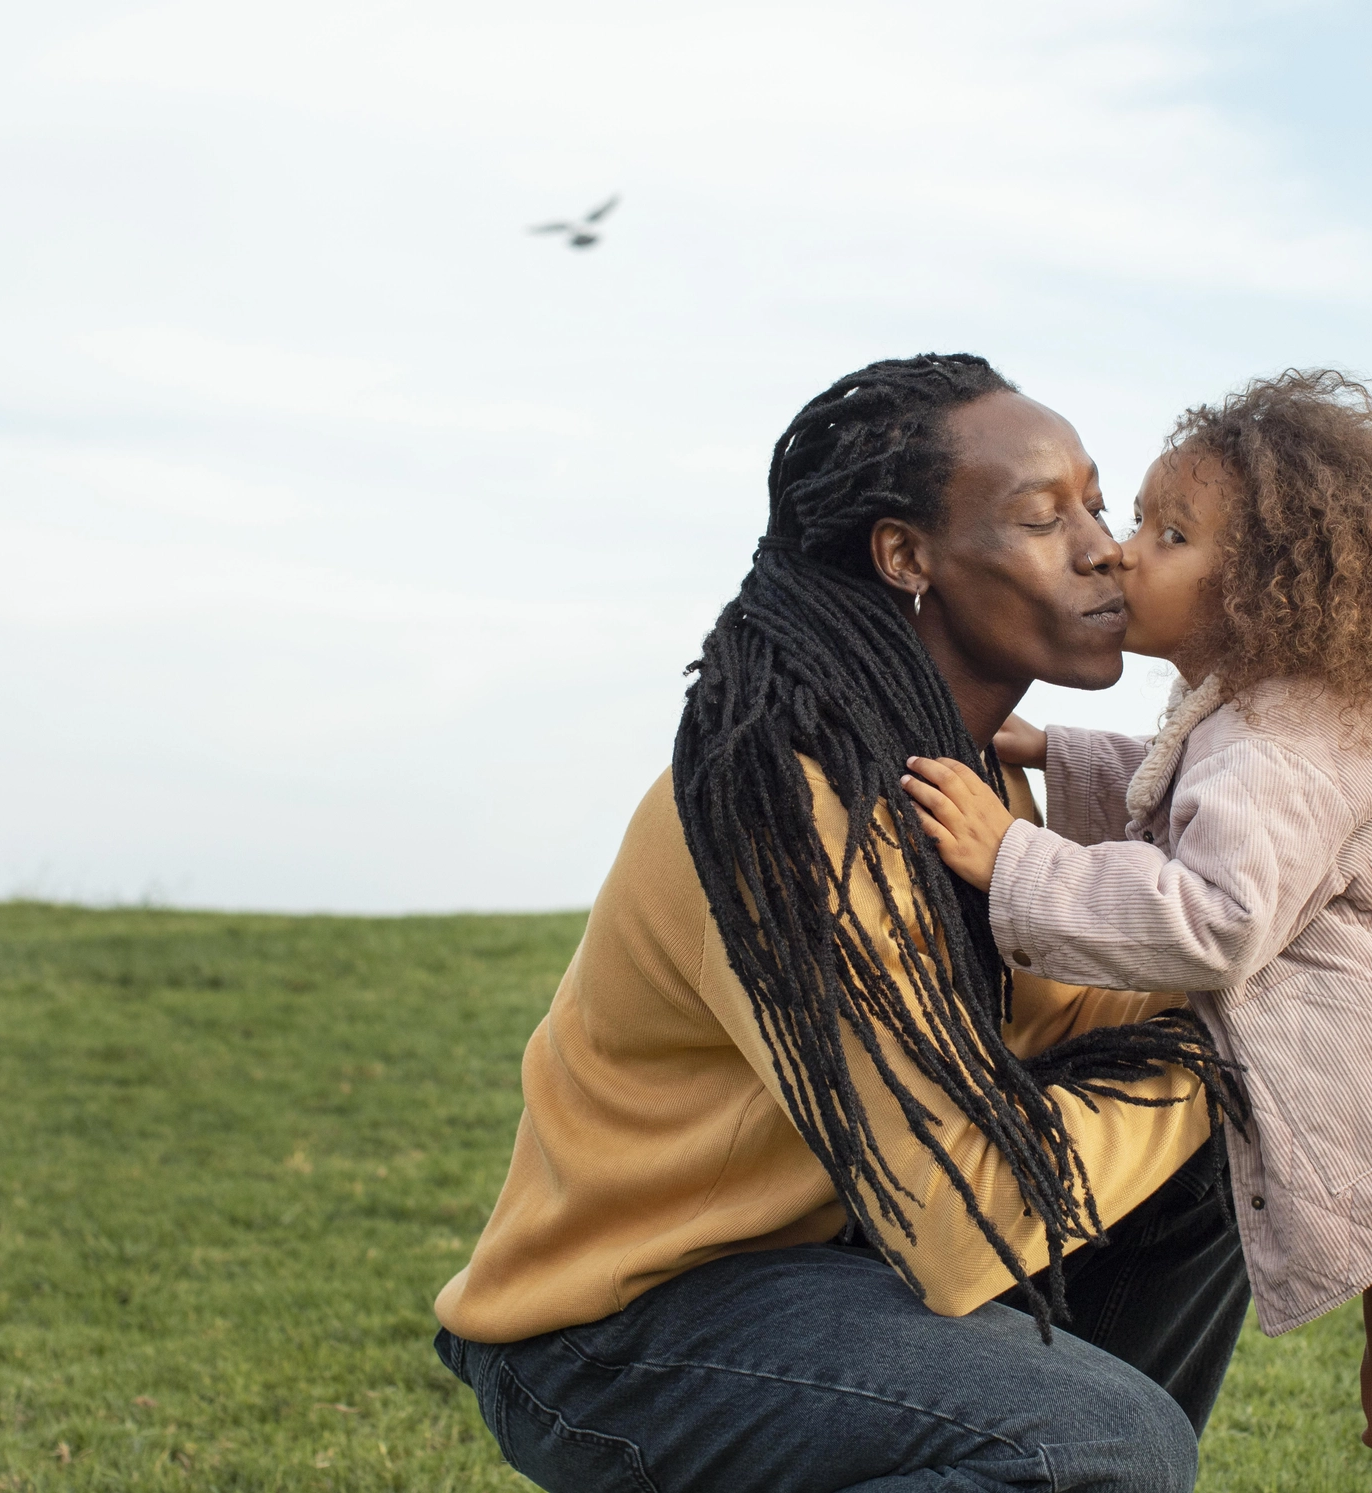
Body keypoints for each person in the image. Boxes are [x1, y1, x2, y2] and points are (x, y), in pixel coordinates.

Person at [432, 355, 1250, 1493]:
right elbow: (959, 1226)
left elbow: (1072, 1018)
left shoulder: (960, 776)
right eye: (1040, 516)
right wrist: (1222, 1049)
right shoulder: (783, 800)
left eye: (1097, 505)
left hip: (834, 1272)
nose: (1102, 546)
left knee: (1207, 1179)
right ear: (905, 556)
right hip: (620, 1329)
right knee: (1096, 1443)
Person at [901, 370, 1372, 1493]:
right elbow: (1212, 815)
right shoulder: (1265, 716)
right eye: (1139, 520)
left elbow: (1215, 914)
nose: (1120, 551)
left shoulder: (1276, 734)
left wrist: (1010, 856)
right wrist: (1056, 754)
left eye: (1169, 533)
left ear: (1263, 583)